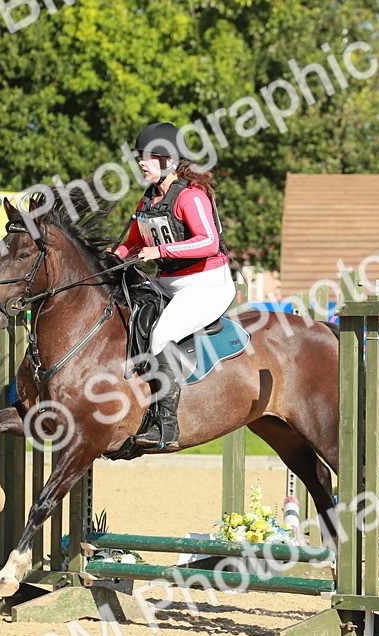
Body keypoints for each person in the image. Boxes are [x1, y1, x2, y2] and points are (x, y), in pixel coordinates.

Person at [112, 121, 235, 450]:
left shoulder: (191, 196)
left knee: (163, 334)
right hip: (167, 282)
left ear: (167, 159)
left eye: (148, 157)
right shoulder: (149, 200)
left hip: (206, 283)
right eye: (140, 157)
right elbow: (132, 243)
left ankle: (167, 425)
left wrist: (160, 251)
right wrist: (112, 257)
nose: (141, 162)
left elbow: (208, 242)